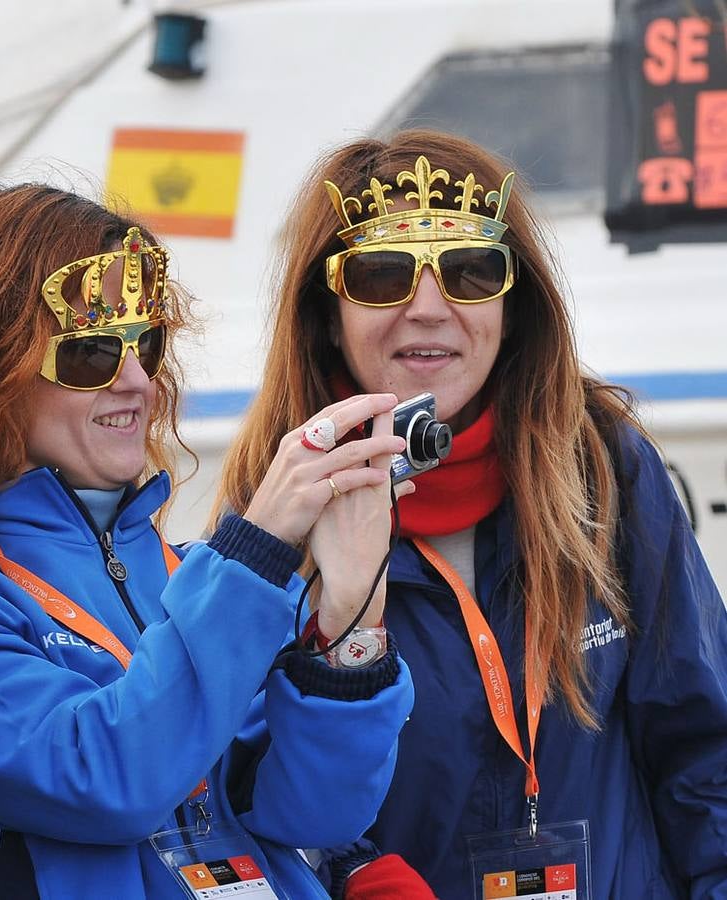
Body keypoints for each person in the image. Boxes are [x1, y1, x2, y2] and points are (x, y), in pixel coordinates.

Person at [215, 130, 727, 898]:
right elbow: (240, 794)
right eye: (382, 276)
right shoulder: (275, 505)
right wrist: (349, 869)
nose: (428, 308)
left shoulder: (602, 465)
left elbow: (704, 748)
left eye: (469, 270)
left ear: (512, 305)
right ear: (326, 316)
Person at [0, 183, 415, 899]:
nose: (137, 382)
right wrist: (256, 547)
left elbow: (314, 813)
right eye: (90, 353)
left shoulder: (188, 575)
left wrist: (352, 622)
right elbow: (109, 778)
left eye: (147, 344)